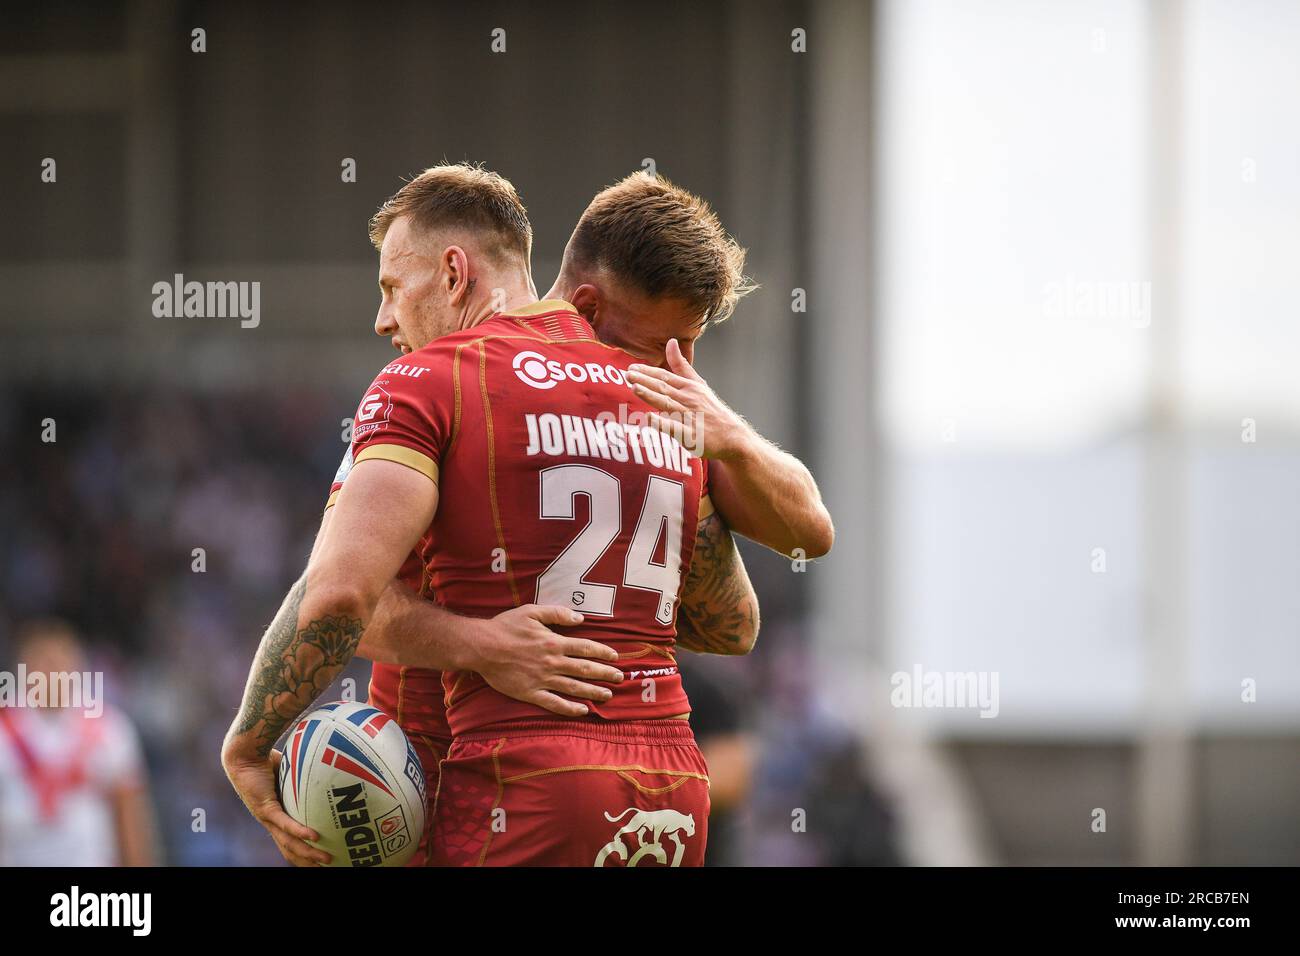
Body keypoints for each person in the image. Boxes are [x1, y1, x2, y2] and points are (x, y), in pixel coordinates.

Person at [223, 165, 833, 865]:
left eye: (392, 288)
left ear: (453, 273)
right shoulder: (662, 412)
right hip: (667, 792)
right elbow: (736, 621)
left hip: (506, 786)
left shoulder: (430, 383)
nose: (384, 318)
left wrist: (246, 745)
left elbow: (335, 597)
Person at [0, 619, 158, 866]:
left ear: (77, 666)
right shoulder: (4, 731)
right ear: (22, 667)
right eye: (42, 662)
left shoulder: (109, 727)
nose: (51, 674)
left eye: (59, 662)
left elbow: (129, 815)